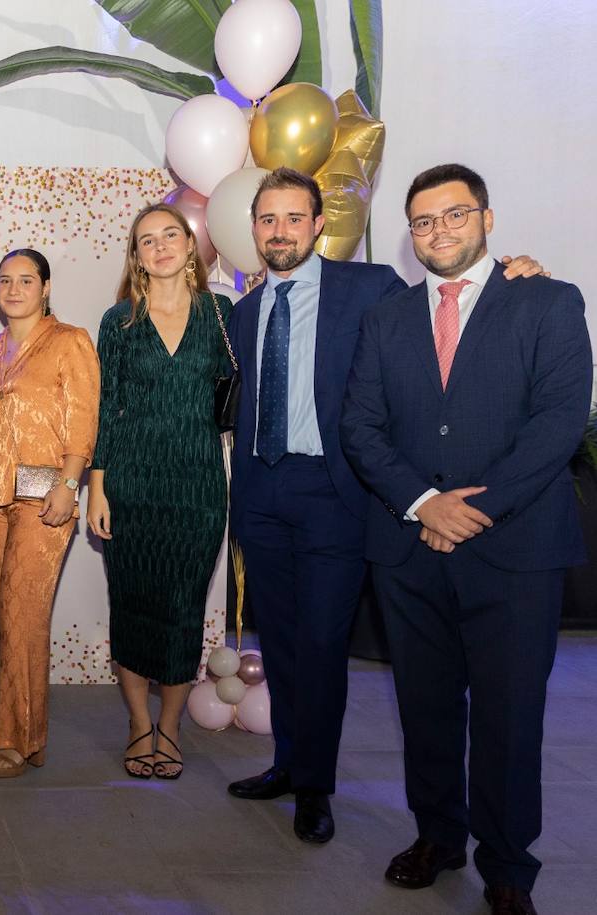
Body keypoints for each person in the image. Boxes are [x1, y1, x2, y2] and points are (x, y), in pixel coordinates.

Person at [225, 167, 546, 845]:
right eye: (267, 219)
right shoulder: (245, 309)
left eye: (293, 218)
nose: (279, 231)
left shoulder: (370, 288)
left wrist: (515, 271)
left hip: (337, 496)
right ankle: (287, 760)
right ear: (253, 229)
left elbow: (447, 313)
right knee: (278, 643)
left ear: (318, 226)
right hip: (260, 494)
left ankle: (315, 786)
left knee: (320, 644)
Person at [341, 164, 589, 915]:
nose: (438, 231)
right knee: (425, 707)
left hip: (514, 553)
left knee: (512, 718)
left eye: (453, 216)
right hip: (411, 550)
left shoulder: (545, 300)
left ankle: (509, 867)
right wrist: (423, 503)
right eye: (422, 222)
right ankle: (438, 836)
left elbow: (558, 421)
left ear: (485, 217)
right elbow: (362, 425)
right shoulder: (387, 318)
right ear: (410, 237)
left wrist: (471, 510)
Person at [87, 203, 233, 780]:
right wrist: (96, 490)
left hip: (198, 485)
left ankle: (169, 727)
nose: (162, 246)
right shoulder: (118, 321)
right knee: (131, 605)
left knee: (182, 609)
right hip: (130, 485)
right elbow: (104, 410)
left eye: (171, 234)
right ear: (137, 256)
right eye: (148, 240)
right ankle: (136, 724)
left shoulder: (221, 313)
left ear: (189, 244)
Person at [0, 248, 100, 778]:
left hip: (45, 494)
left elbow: (84, 418)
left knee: (25, 615)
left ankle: (13, 739)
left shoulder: (70, 341)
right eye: (6, 280)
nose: (14, 288)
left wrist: (70, 485)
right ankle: (31, 735)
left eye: (26, 279)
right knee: (12, 620)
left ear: (45, 287)